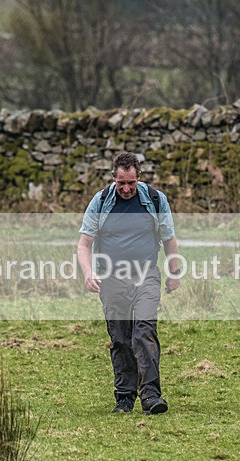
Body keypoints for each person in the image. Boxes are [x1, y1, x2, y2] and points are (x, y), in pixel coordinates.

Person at [78, 152, 180, 415]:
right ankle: (124, 398)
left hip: (146, 274)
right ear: (113, 177)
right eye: (121, 183)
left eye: (131, 183)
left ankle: (151, 396)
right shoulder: (101, 201)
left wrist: (174, 272)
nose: (126, 189)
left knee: (144, 330)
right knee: (121, 337)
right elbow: (84, 244)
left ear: (139, 178)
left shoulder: (155, 199)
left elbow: (169, 239)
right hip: (111, 277)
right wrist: (88, 273)